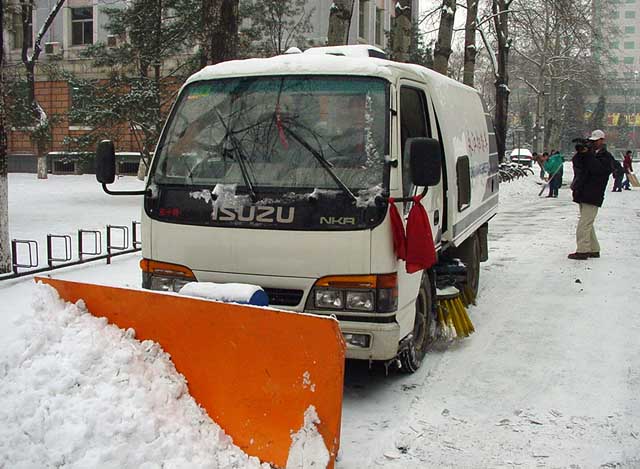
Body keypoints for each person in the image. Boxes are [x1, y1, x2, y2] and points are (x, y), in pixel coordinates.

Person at [568, 129, 614, 260]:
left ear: (602, 140)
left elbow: (597, 170)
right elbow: (577, 164)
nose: (593, 143)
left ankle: (582, 250)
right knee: (588, 223)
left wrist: (588, 154)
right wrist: (581, 153)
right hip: (583, 192)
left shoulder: (606, 157)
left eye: (596, 141)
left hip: (593, 193)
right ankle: (594, 249)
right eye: (592, 141)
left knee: (584, 224)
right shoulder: (590, 154)